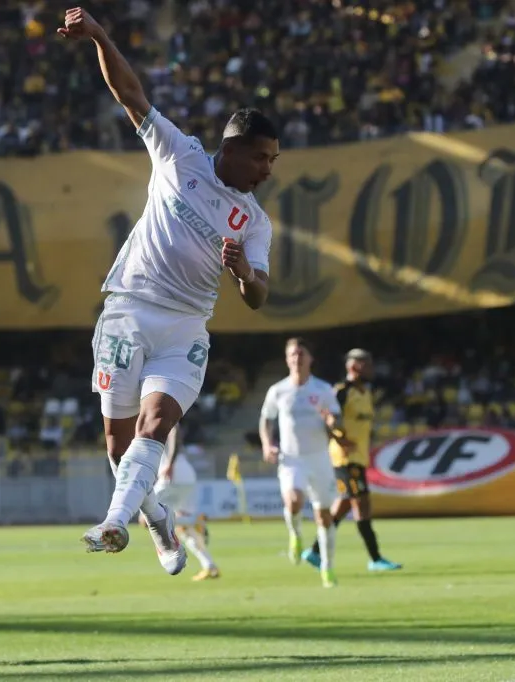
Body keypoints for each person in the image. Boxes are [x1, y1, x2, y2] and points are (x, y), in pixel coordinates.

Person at [58, 7, 277, 575]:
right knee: (116, 445)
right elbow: (130, 92)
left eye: (273, 160)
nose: (268, 170)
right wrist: (99, 35)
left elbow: (260, 296)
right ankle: (155, 517)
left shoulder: (253, 221)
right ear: (231, 148)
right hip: (127, 310)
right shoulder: (178, 154)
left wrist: (244, 275)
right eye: (261, 157)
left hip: (185, 326)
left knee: (155, 426)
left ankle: (113, 521)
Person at [303, 349, 402, 571]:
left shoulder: (366, 393)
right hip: (345, 459)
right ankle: (375, 559)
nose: (372, 369)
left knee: (344, 505)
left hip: (359, 457)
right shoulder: (342, 391)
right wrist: (340, 439)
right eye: (367, 365)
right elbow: (324, 416)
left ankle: (315, 551)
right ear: (354, 367)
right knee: (362, 504)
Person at [259, 338, 342, 588]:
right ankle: (295, 535)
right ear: (287, 359)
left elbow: (337, 420)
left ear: (310, 359)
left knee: (324, 516)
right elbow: (266, 419)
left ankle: (327, 567)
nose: (297, 358)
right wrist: (267, 444)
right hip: (291, 459)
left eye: (301, 354)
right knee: (294, 501)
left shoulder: (324, 390)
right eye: (292, 355)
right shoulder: (278, 390)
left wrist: (332, 422)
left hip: (319, 458)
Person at [153, 426, 220, 581]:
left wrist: (169, 463)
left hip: (172, 474)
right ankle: (209, 566)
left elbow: (175, 431)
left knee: (146, 519)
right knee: (184, 529)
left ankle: (195, 519)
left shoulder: (159, 410)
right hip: (184, 474)